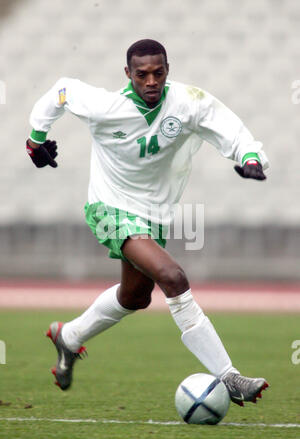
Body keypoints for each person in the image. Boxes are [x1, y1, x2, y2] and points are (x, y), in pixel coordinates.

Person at [27, 39, 269, 407]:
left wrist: (250, 156)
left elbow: (227, 126)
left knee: (135, 297)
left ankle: (70, 336)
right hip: (108, 208)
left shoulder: (188, 102)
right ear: (128, 74)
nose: (151, 81)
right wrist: (35, 139)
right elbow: (61, 90)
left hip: (153, 215)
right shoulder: (105, 106)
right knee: (173, 277)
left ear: (167, 70)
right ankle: (229, 377)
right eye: (142, 74)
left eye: (158, 73)